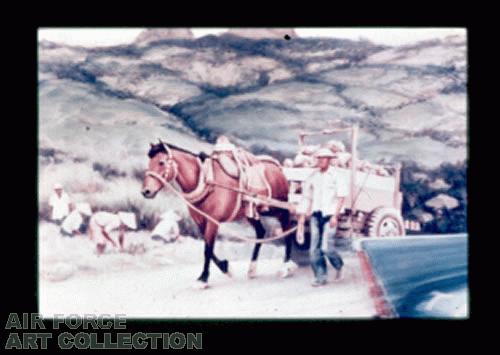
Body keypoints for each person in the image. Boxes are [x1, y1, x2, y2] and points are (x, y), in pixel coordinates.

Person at [300, 148, 348, 287]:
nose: (320, 160)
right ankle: (320, 277)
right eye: (319, 158)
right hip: (316, 215)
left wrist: (335, 216)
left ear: (329, 160)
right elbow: (307, 196)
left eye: (324, 158)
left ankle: (339, 265)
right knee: (314, 250)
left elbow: (341, 197)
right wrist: (304, 213)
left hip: (329, 216)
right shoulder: (314, 176)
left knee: (326, 248)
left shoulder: (336, 175)